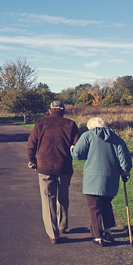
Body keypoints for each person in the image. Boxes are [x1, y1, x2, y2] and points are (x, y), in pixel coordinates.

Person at [70, 117, 132, 247]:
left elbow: (77, 154)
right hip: (111, 179)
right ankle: (108, 231)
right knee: (106, 204)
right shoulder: (116, 138)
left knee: (94, 207)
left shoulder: (87, 136)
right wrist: (125, 172)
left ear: (91, 127)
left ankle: (98, 236)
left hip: (92, 179)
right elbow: (124, 159)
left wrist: (71, 148)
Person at [27, 100, 80, 244]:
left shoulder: (40, 123)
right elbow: (77, 145)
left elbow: (31, 143)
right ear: (63, 111)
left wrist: (32, 160)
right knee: (63, 195)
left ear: (50, 110)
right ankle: (63, 225)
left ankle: (53, 233)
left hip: (44, 166)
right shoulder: (70, 124)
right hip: (64, 167)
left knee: (48, 199)